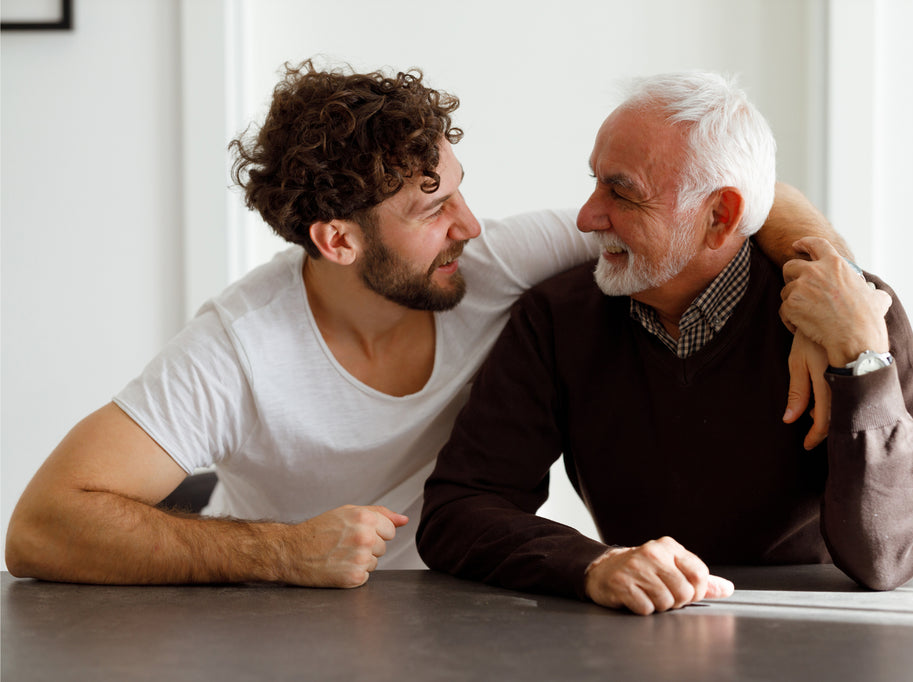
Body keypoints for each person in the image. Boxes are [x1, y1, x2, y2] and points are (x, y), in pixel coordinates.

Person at [6, 61, 849, 589]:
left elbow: (735, 202)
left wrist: (826, 294)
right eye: (431, 207)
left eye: (458, 187)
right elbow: (41, 524)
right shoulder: (238, 348)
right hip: (281, 620)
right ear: (338, 241)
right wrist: (280, 553)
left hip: (466, 600)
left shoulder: (493, 262)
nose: (470, 225)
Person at [417, 71, 913, 615]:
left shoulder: (854, 315)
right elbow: (459, 509)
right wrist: (593, 565)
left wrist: (861, 363)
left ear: (720, 216)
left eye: (621, 192)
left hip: (815, 629)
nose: (586, 217)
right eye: (595, 182)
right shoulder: (557, 319)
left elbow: (889, 560)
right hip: (639, 628)